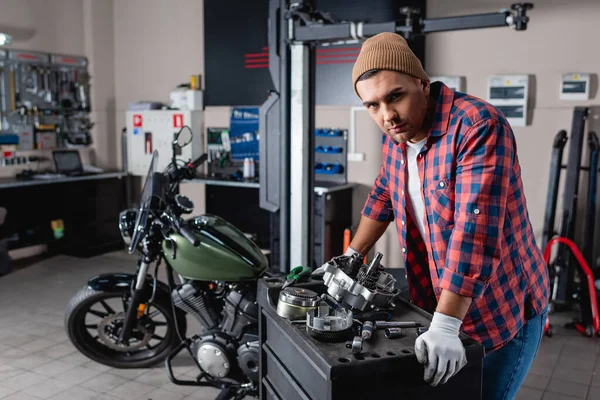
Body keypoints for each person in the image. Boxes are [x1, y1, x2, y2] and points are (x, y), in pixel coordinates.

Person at [344, 32, 550, 399]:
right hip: (438, 302)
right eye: (372, 105)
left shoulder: (477, 125)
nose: (387, 115)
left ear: (422, 83)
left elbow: (475, 229)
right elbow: (384, 194)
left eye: (395, 96)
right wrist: (349, 257)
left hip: (499, 309)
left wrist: (445, 324)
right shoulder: (398, 135)